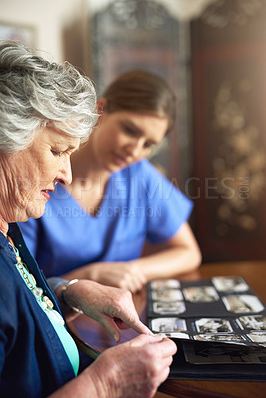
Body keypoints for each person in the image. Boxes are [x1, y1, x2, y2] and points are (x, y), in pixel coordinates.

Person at [0, 40, 177, 398]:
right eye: (56, 151)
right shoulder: (25, 204)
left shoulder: (10, 225)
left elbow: (20, 303)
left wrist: (69, 290)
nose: (65, 174)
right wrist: (104, 384)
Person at [19, 69, 202, 293]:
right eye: (130, 130)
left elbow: (189, 252)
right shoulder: (39, 177)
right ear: (100, 109)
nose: (134, 151)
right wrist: (90, 276)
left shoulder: (140, 174)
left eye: (148, 144)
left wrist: (134, 271)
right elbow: (20, 289)